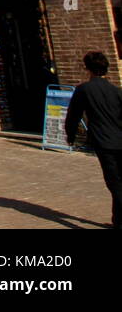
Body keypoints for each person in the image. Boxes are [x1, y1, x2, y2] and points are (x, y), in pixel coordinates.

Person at [64, 51, 122, 229]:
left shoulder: (84, 90)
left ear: (87, 68)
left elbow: (73, 115)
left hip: (103, 141)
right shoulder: (117, 91)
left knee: (114, 182)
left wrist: (71, 135)